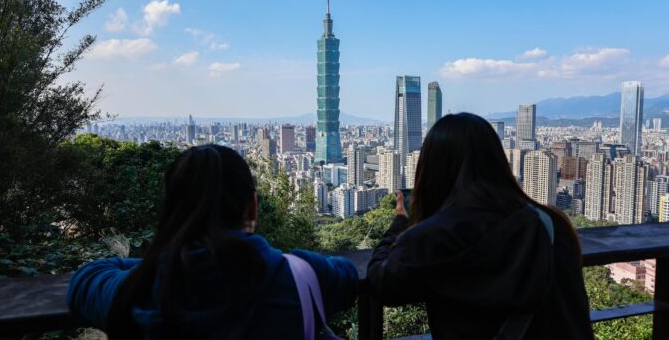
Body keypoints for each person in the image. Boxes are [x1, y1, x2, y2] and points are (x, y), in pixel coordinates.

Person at [68, 144, 358, 339]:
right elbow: (346, 273)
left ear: (173, 211)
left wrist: (168, 261)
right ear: (253, 206)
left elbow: (85, 280)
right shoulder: (301, 276)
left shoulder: (140, 289)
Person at [368, 113, 594, 340]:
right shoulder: (551, 223)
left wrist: (401, 223)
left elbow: (382, 282)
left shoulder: (431, 237)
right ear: (497, 161)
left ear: (431, 169)